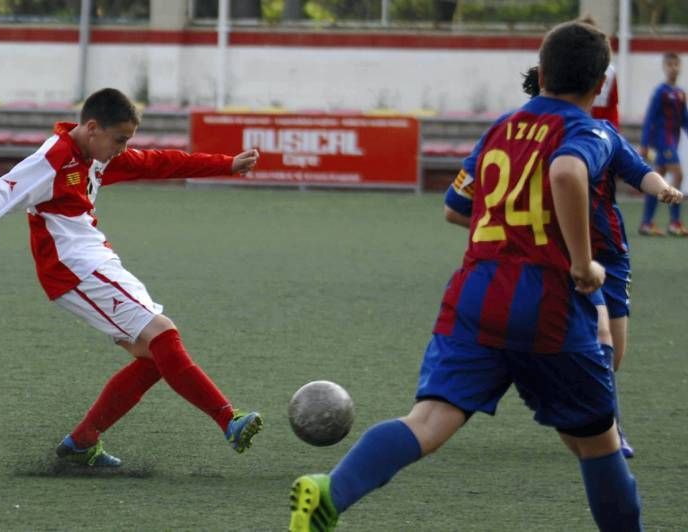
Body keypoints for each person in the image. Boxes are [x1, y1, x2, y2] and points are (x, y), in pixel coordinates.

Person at [288, 21, 645, 531]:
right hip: (546, 303)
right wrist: (584, 262)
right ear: (600, 84)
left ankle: (332, 491)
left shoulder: (502, 127)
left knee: (428, 421)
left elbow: (458, 206)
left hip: (476, 293)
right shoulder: (586, 130)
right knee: (598, 441)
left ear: (541, 72)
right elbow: (567, 172)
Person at [0, 88, 263, 467]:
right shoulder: (54, 157)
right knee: (162, 335)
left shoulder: (95, 154)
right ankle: (229, 419)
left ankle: (82, 442)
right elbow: (3, 190)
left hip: (96, 261)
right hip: (74, 268)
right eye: (120, 139)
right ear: (92, 127)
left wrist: (225, 164)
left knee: (156, 356)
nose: (124, 149)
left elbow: (159, 163)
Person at [449, 65, 684, 459]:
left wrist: (663, 189)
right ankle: (606, 431)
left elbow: (639, 172)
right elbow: (460, 206)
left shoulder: (598, 134)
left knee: (613, 352)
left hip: (609, 257)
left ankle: (586, 415)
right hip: (559, 255)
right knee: (597, 337)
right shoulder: (526, 136)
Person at [639, 52, 688, 236]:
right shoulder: (661, 92)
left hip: (672, 142)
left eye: (676, 64)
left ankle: (646, 223)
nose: (673, 68)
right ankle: (675, 223)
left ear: (680, 67)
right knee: (679, 175)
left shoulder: (681, 93)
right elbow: (650, 118)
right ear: (664, 67)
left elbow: (684, 119)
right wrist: (644, 144)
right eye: (670, 65)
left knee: (657, 179)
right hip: (662, 142)